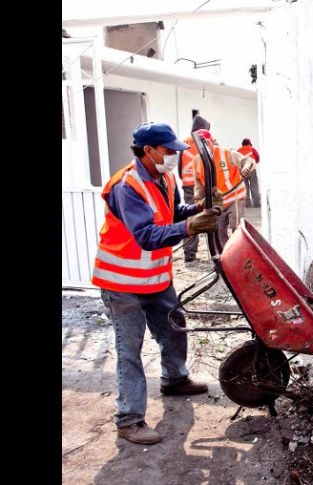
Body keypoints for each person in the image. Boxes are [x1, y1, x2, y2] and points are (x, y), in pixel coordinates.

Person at [91, 122, 223, 445]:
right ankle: (129, 418)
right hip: (122, 282)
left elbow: (171, 213)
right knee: (130, 348)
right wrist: (190, 227)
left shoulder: (164, 177)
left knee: (174, 324)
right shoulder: (128, 186)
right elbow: (147, 235)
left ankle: (174, 379)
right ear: (148, 151)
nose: (174, 156)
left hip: (154, 277)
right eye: (169, 151)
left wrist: (197, 210)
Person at [192, 129, 256, 246]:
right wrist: (198, 202)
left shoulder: (226, 153)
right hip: (217, 203)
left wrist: (246, 167)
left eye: (207, 143)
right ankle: (226, 258)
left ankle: (240, 254)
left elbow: (248, 160)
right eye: (202, 145)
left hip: (235, 198)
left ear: (212, 141)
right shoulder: (197, 161)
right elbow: (198, 184)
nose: (205, 147)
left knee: (236, 227)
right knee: (218, 233)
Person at [178, 115, 211, 262]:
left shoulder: (183, 143)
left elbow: (180, 168)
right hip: (204, 185)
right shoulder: (207, 140)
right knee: (211, 217)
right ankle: (215, 251)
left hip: (188, 186)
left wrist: (186, 179)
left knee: (190, 219)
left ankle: (189, 253)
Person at [237, 138, 260, 208]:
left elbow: (236, 161)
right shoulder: (252, 149)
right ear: (249, 143)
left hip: (242, 170)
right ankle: (257, 204)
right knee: (254, 186)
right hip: (251, 170)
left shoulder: (238, 150)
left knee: (245, 187)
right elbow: (258, 158)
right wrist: (254, 163)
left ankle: (247, 204)